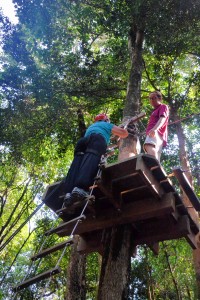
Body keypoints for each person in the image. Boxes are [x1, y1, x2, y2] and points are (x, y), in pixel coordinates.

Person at [63, 113, 128, 207]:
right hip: (97, 140)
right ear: (106, 120)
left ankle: (68, 193)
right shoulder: (107, 124)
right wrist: (122, 128)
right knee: (90, 160)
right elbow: (124, 134)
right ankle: (80, 188)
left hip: (82, 142)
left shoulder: (92, 126)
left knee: (76, 165)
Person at [143, 91, 169, 161]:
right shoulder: (154, 110)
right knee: (155, 152)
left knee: (148, 146)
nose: (151, 100)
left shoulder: (163, 106)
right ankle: (156, 169)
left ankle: (154, 166)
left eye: (154, 98)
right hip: (156, 134)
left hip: (156, 132)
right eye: (150, 98)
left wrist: (155, 129)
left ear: (160, 98)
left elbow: (162, 118)